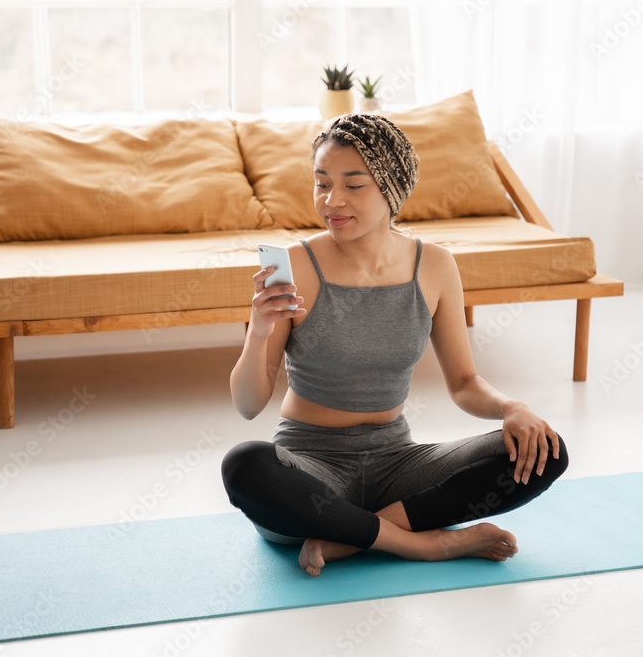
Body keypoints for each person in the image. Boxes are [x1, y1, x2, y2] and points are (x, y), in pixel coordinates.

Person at [221, 113, 568, 577]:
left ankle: (354, 538)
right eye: (321, 183)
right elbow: (248, 405)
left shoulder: (436, 266)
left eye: (353, 185)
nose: (332, 200)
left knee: (545, 448)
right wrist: (259, 330)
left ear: (391, 187)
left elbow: (464, 383)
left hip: (399, 466)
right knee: (245, 464)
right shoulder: (294, 267)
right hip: (310, 470)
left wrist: (513, 407)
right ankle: (424, 545)